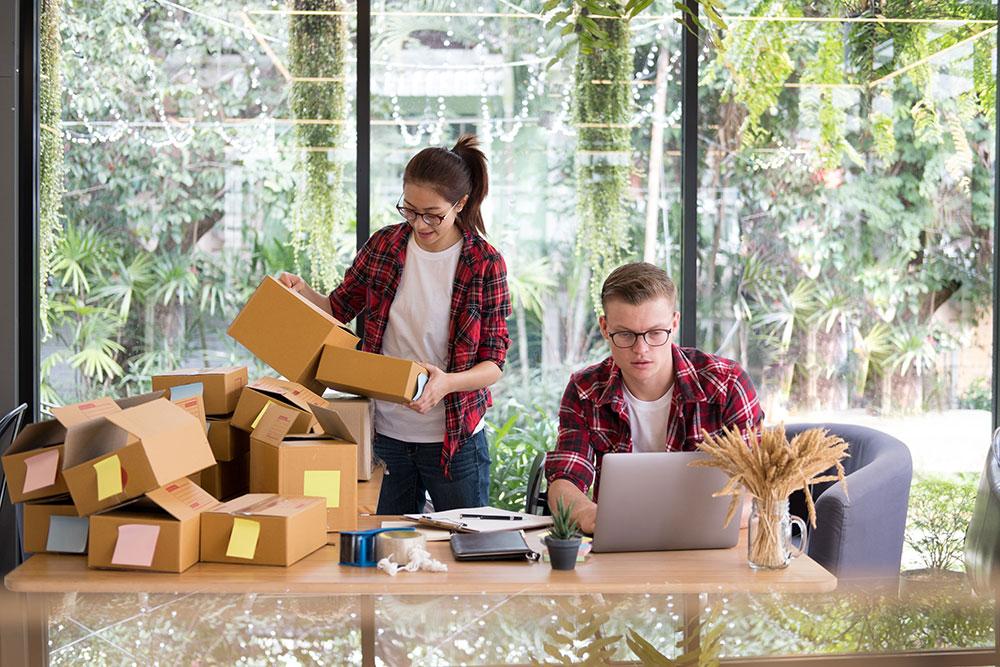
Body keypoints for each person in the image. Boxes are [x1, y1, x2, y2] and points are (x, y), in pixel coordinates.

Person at [279, 135, 511, 514]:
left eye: (433, 214)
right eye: (410, 210)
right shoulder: (384, 245)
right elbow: (337, 309)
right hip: (385, 437)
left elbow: (493, 366)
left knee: (463, 555)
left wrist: (446, 383)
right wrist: (301, 291)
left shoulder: (484, 263)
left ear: (460, 204)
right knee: (387, 550)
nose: (420, 223)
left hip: (454, 440)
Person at [544, 262, 763, 534]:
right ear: (604, 327)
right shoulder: (585, 390)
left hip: (706, 544)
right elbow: (565, 477)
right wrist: (587, 513)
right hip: (619, 542)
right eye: (625, 334)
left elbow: (756, 489)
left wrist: (671, 524)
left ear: (674, 324)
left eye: (655, 333)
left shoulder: (727, 384)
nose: (641, 349)